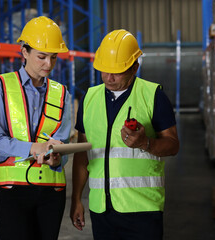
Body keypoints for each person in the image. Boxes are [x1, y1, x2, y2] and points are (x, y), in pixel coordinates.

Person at [70, 29, 179, 240]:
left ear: (135, 67)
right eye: (104, 70)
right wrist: (76, 199)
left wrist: (146, 143)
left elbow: (173, 145)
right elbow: (82, 155)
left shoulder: (153, 95)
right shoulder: (89, 99)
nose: (109, 78)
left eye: (117, 71)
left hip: (142, 209)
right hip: (101, 210)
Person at [0, 16, 71, 240]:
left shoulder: (62, 94)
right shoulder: (1, 87)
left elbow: (63, 145)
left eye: (53, 57)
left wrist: (57, 157)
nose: (48, 64)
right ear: (24, 51)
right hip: (13, 192)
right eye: (41, 57)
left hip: (51, 195)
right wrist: (34, 148)